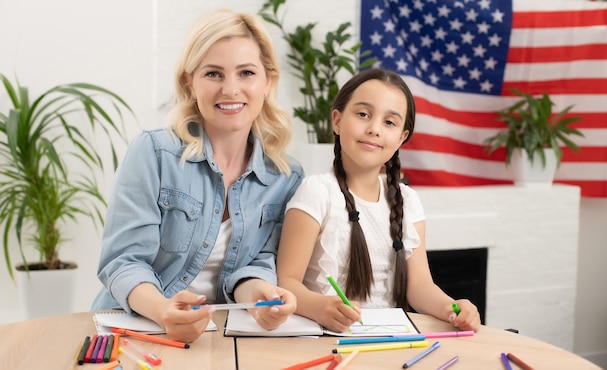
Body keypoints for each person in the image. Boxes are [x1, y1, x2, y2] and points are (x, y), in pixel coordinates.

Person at [92, 9, 303, 343]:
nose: (231, 89)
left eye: (246, 72)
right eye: (213, 74)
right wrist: (163, 310)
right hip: (137, 331)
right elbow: (123, 262)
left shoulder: (285, 176)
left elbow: (260, 262)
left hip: (222, 339)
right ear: (189, 83)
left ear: (268, 81)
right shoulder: (153, 152)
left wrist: (261, 295)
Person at [276, 68, 481, 333]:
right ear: (337, 121)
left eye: (389, 122)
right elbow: (287, 280)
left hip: (390, 339)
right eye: (363, 114)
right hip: (326, 338)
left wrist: (452, 307)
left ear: (401, 138)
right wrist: (319, 307)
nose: (374, 129)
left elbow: (419, 286)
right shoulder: (316, 192)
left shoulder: (407, 201)